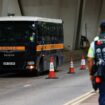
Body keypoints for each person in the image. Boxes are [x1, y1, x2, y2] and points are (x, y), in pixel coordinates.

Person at [87, 21, 105, 105]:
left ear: (100, 29)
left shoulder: (94, 42)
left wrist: (91, 74)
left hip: (100, 73)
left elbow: (90, 59)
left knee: (102, 94)